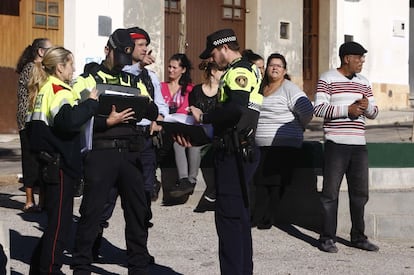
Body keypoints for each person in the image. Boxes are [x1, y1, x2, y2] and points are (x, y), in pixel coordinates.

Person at [71, 28, 156, 274]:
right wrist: (105, 121)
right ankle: (81, 266)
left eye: (126, 57)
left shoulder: (133, 80)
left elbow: (151, 111)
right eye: (119, 56)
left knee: (138, 213)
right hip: (101, 151)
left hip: (130, 152)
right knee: (92, 212)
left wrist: (140, 105)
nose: (122, 62)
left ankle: (138, 265)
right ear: (107, 50)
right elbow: (76, 118)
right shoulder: (87, 80)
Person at [180, 28, 263, 274]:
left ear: (224, 48)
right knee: (239, 218)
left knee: (228, 219)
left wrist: (204, 116)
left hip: (234, 151)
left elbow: (236, 109)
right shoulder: (251, 69)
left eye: (213, 53)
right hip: (241, 147)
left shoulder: (238, 71)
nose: (212, 59)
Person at [92, 26, 168, 261]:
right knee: (105, 198)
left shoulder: (150, 76)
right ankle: (91, 243)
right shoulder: (118, 70)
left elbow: (160, 104)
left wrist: (160, 118)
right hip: (114, 139)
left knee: (141, 199)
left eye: (147, 45)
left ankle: (139, 251)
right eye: (141, 45)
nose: (145, 49)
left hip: (142, 140)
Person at [26, 46, 99, 275]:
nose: (74, 69)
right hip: (59, 166)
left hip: (48, 164)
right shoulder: (59, 89)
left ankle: (39, 270)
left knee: (54, 224)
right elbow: (68, 121)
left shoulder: (44, 89)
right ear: (60, 67)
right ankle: (50, 270)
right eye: (70, 64)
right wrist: (90, 103)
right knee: (60, 226)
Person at [314, 41, 379, 253]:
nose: (362, 62)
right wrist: (347, 110)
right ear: (346, 58)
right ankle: (326, 238)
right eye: (358, 58)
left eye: (363, 58)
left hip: (359, 146)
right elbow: (319, 108)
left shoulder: (364, 82)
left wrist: (366, 106)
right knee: (330, 194)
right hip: (336, 144)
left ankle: (358, 237)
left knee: (360, 194)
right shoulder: (327, 78)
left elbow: (375, 112)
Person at [252, 53, 314, 229]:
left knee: (274, 182)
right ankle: (257, 215)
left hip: (284, 143)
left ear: (284, 70)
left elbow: (307, 110)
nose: (275, 68)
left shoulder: (290, 89)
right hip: (262, 144)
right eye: (272, 64)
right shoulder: (260, 87)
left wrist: (299, 126)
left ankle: (267, 217)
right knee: (260, 182)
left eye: (279, 65)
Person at [16, 38, 52, 212]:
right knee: (30, 160)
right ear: (40, 51)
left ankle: (43, 201)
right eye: (49, 49)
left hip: (40, 119)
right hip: (29, 121)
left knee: (43, 160)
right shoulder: (31, 68)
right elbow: (38, 91)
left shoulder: (44, 69)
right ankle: (30, 200)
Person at [160, 53, 196, 204]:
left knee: (187, 141)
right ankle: (184, 180)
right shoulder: (161, 87)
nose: (170, 70)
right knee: (177, 140)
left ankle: (188, 181)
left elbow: (187, 111)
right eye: (169, 66)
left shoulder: (190, 89)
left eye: (174, 67)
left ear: (183, 70)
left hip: (184, 126)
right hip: (165, 127)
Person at [190, 60, 224, 213]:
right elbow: (191, 110)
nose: (224, 74)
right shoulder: (197, 90)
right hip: (198, 132)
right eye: (221, 71)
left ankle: (213, 191)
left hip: (216, 133)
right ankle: (188, 182)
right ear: (212, 72)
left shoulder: (224, 92)